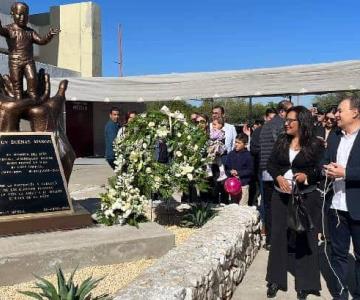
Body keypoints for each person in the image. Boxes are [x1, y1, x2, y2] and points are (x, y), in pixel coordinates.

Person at [266, 106, 324, 300]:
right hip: (280, 197)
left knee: (306, 238)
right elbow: (271, 164)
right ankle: (275, 279)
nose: (286, 123)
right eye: (286, 119)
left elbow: (319, 170)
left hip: (306, 197)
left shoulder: (315, 144)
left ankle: (306, 284)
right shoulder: (282, 140)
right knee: (278, 237)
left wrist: (306, 176)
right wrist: (278, 177)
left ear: (303, 122)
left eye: (291, 120)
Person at [323, 97, 360, 300]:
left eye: (339, 111)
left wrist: (346, 173)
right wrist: (325, 169)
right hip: (336, 206)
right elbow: (324, 161)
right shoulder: (335, 137)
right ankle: (340, 294)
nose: (335, 115)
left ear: (355, 112)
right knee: (338, 254)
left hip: (357, 206)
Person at [0, 2, 60, 100]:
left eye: (25, 14)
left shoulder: (30, 31)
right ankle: (19, 102)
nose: (22, 17)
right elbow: (1, 30)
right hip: (15, 61)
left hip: (28, 61)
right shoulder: (9, 29)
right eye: (19, 14)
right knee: (17, 84)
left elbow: (41, 41)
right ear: (12, 14)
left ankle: (33, 99)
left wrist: (49, 35)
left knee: (32, 79)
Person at [259, 100, 293, 249]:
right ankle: (282, 241)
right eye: (290, 111)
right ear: (282, 112)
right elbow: (282, 149)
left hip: (265, 171)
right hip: (278, 171)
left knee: (268, 206)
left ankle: (270, 240)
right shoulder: (281, 125)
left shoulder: (266, 126)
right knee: (282, 206)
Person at [225, 133, 254, 205]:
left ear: (245, 144)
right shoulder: (231, 154)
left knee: (242, 207)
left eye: (239, 143)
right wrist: (230, 172)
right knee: (233, 206)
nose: (236, 144)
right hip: (232, 185)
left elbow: (250, 171)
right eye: (235, 142)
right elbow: (226, 168)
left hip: (243, 185)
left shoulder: (248, 156)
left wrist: (239, 173)